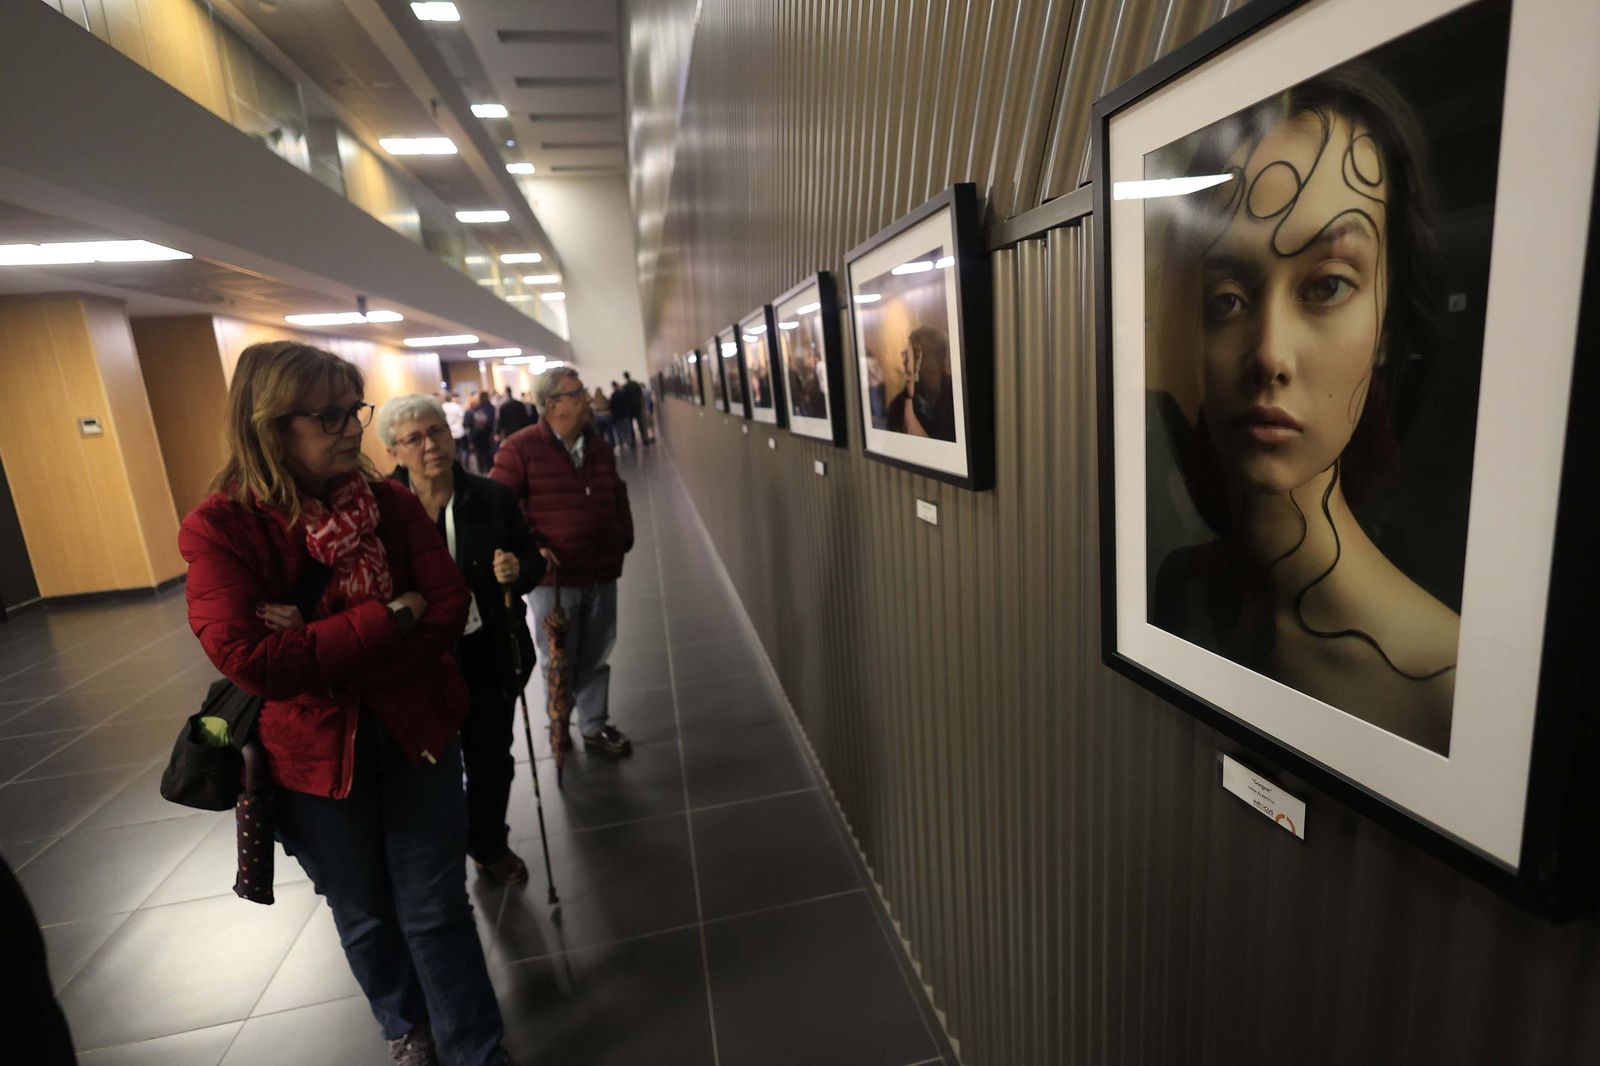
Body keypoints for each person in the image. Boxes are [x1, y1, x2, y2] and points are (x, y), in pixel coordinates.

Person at [179, 341, 507, 1065]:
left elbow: (449, 604)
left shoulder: (387, 502)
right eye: (326, 416)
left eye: (350, 410)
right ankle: (408, 1027)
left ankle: (477, 1050)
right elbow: (254, 660)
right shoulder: (221, 528)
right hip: (314, 762)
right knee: (363, 913)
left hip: (416, 729)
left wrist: (321, 643)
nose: (347, 429)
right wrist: (389, 617)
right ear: (269, 426)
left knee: (435, 909)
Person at [1147, 64, 1459, 752]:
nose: (1269, 354)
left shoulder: (1447, 689)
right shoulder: (1183, 591)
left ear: (1387, 332)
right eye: (1227, 298)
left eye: (1326, 286)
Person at [380, 394, 543, 886]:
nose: (430, 445)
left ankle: (489, 843)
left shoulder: (491, 498)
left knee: (492, 757)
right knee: (429, 764)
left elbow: (531, 560)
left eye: (437, 432)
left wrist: (520, 569)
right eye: (414, 438)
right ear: (395, 450)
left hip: (485, 650)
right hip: (417, 661)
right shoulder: (380, 510)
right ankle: (437, 854)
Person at [491, 368, 634, 757]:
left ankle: (593, 725)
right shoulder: (519, 449)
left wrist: (623, 535)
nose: (588, 399)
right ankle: (559, 722)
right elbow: (499, 509)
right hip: (554, 579)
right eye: (578, 393)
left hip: (601, 569)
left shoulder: (597, 445)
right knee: (560, 657)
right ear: (552, 404)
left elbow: (616, 493)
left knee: (596, 652)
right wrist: (533, 547)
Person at [885, 325, 957, 440]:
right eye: (906, 354)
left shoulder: (960, 395)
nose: (907, 362)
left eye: (917, 354)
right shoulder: (898, 407)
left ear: (939, 358)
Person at [467, 390, 496, 474]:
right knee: (489, 454)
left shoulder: (476, 409)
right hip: (489, 435)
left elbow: (470, 424)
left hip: (478, 435)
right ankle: (490, 470)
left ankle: (482, 471)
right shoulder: (491, 408)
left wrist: (471, 439)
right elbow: (494, 422)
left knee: (480, 455)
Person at [621, 371, 652, 445]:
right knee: (641, 425)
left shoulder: (625, 387)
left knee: (631, 427)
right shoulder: (635, 384)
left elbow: (624, 399)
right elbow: (640, 395)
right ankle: (645, 439)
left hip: (630, 409)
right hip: (638, 407)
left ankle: (633, 442)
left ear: (625, 377)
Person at [608, 379, 635, 450]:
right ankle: (630, 443)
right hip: (625, 415)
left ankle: (622, 443)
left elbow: (611, 407)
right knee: (627, 429)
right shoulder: (623, 393)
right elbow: (627, 403)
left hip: (617, 417)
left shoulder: (613, 396)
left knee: (620, 431)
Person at [440, 390, 467, 458]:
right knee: (462, 450)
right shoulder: (456, 406)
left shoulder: (442, 407)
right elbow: (463, 418)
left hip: (448, 432)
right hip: (459, 432)